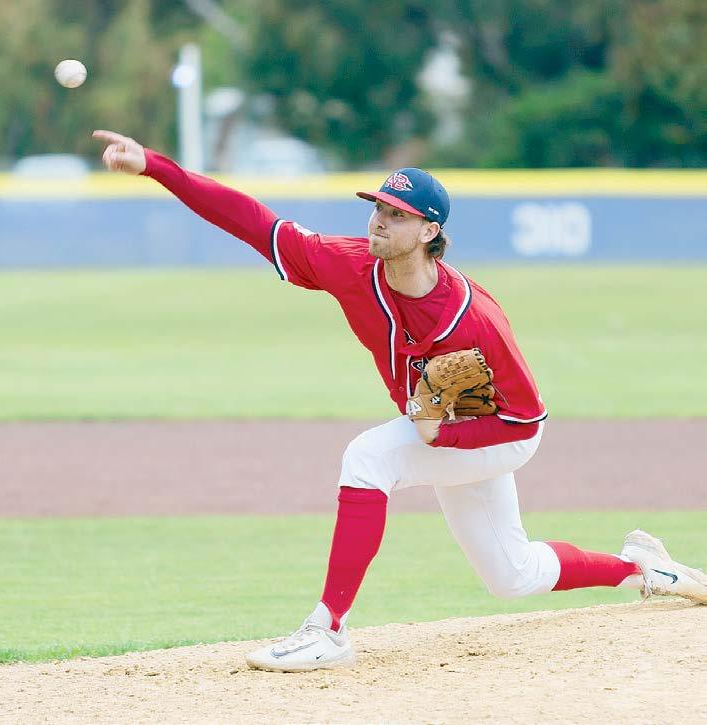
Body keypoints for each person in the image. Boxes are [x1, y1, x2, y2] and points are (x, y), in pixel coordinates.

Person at [92, 130, 707, 673]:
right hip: (444, 417)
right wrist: (155, 166)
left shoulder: (473, 320)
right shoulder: (348, 264)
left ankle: (328, 629)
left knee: (369, 457)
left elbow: (524, 420)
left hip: (500, 433)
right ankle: (644, 567)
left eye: (398, 214)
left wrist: (448, 436)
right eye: (379, 207)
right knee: (511, 575)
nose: (379, 221)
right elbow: (254, 221)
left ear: (430, 231)